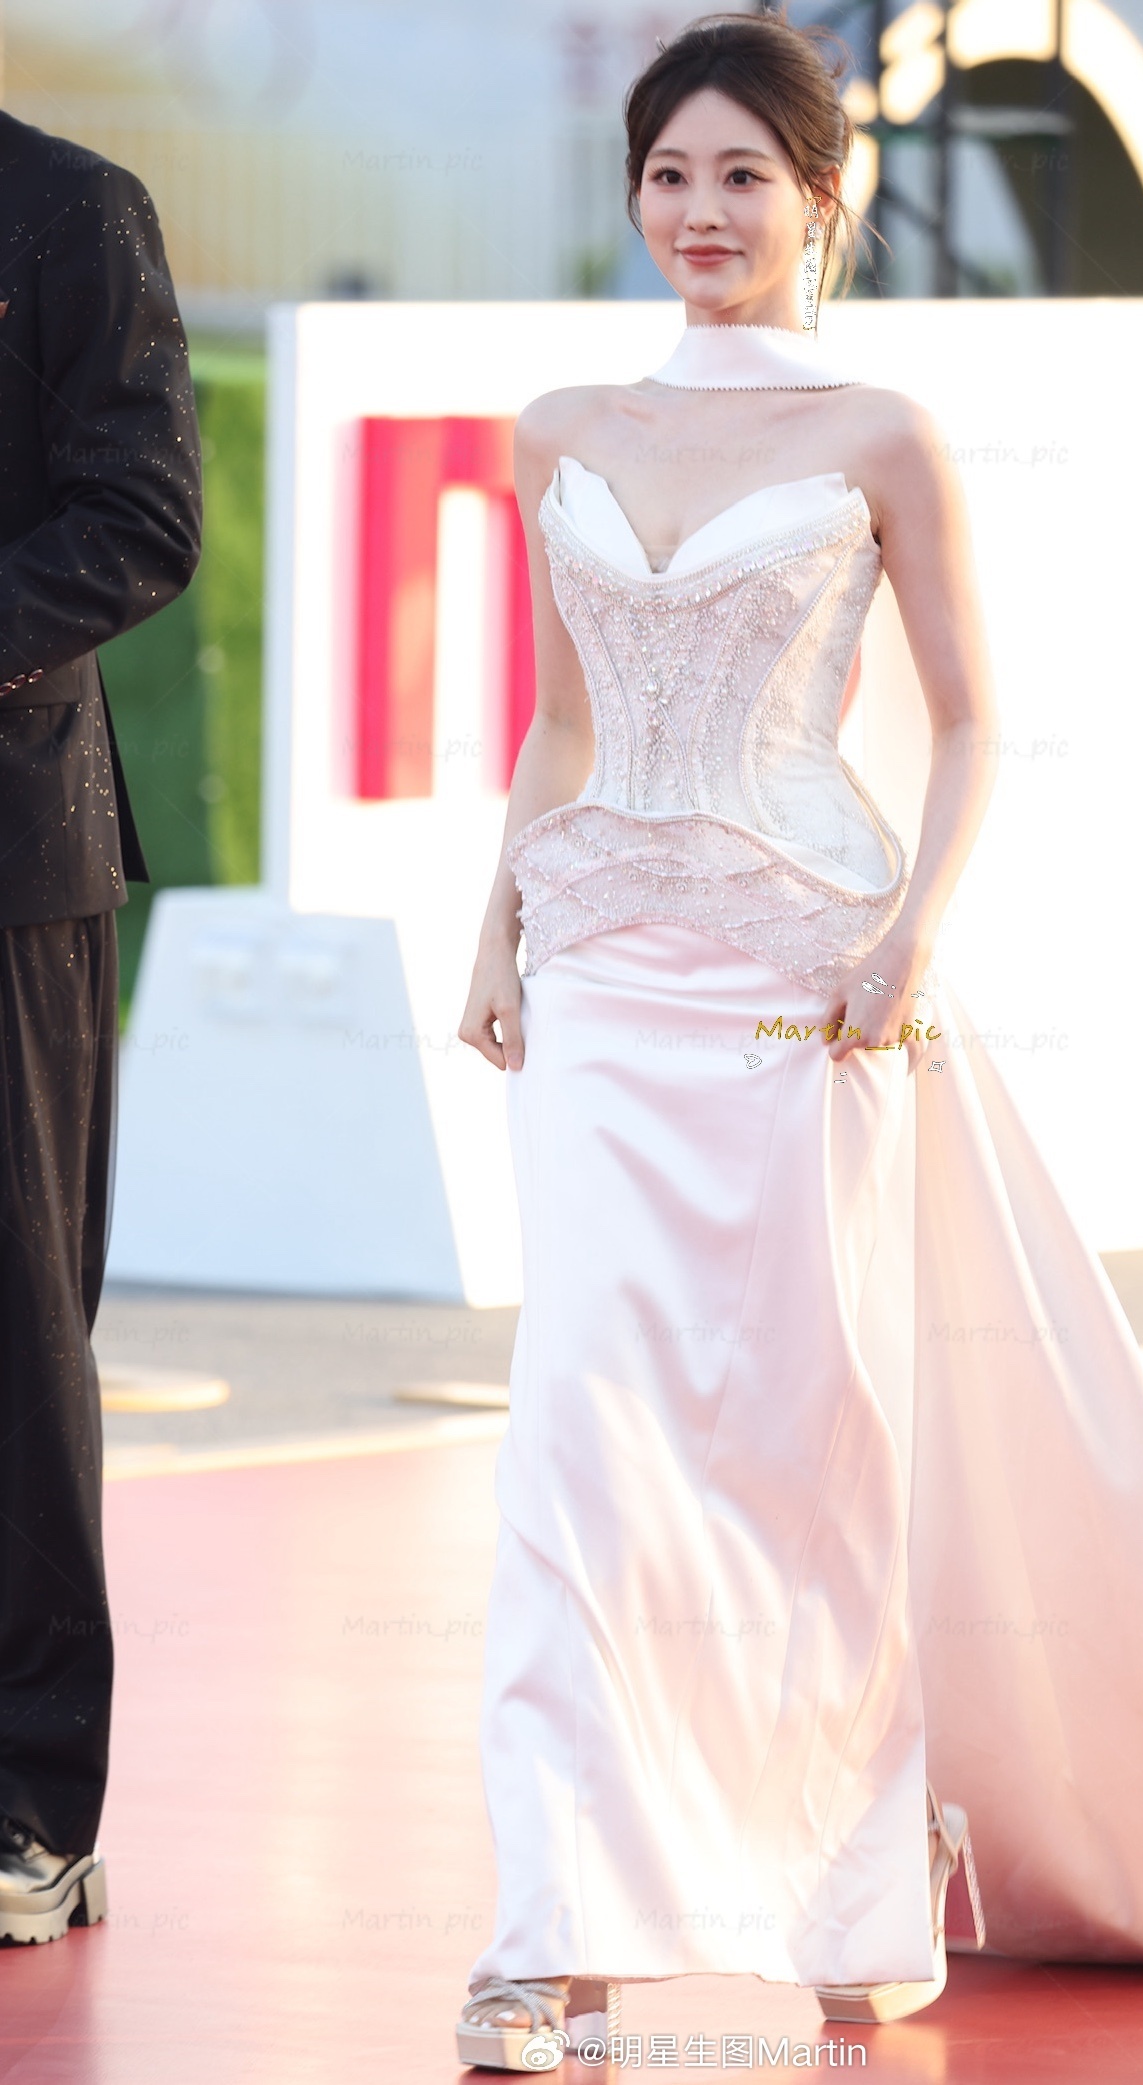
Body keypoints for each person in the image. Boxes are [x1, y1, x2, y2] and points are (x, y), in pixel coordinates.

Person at [454, 12, 1143, 2068]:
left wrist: (906, 939)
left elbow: (969, 725)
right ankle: (552, 1937)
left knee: (808, 1445)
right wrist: (496, 923)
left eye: (741, 176)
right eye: (668, 174)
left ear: (820, 198)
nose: (699, 212)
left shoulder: (883, 429)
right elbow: (560, 721)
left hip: (807, 989)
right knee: (577, 1439)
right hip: (600, 972)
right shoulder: (558, 425)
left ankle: (847, 1894)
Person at [0, 109, 201, 1943]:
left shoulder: (71, 212)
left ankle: (31, 1803)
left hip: (8, 854)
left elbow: (143, 519)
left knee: (12, 1332)